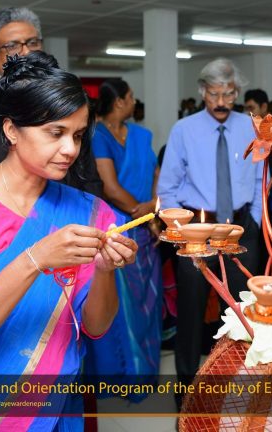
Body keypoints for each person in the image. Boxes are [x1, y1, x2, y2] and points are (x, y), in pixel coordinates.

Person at [0, 52, 138, 431]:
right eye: (55, 133)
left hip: (56, 409)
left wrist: (104, 270)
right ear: (11, 130)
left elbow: (96, 327)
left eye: (78, 135)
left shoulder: (90, 212)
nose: (70, 149)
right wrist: (34, 259)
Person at [157, 58, 263, 406]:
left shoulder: (251, 127)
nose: (221, 102)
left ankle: (237, 389)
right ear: (202, 92)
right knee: (190, 312)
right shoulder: (184, 130)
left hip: (240, 228)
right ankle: (187, 395)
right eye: (214, 94)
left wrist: (255, 220)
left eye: (228, 94)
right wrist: (183, 229)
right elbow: (168, 187)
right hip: (197, 230)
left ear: (237, 92)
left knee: (242, 311)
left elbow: (260, 178)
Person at [0, 6, 103, 197]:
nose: (25, 52)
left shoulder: (67, 101)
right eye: (12, 46)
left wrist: (91, 212)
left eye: (32, 43)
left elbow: (89, 178)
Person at [89, 78, 162, 378]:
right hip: (117, 229)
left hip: (147, 227)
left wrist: (153, 210)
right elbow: (110, 187)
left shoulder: (141, 135)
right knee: (121, 302)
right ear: (119, 101)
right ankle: (125, 373)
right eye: (131, 97)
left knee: (148, 299)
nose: (134, 102)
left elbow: (156, 173)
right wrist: (143, 213)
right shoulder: (98, 136)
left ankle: (146, 369)